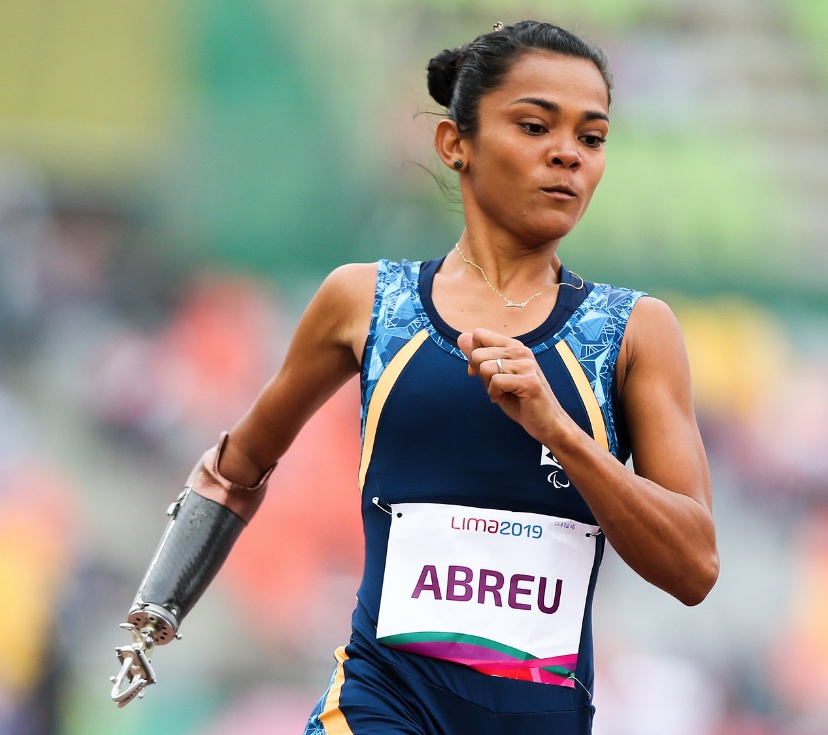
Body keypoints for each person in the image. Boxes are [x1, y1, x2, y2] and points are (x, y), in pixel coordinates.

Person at [109, 19, 719, 734]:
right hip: (379, 702)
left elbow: (694, 566)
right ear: (455, 143)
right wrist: (157, 610)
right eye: (533, 125)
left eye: (592, 138)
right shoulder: (365, 302)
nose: (567, 155)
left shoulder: (634, 331)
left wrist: (561, 431)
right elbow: (236, 467)